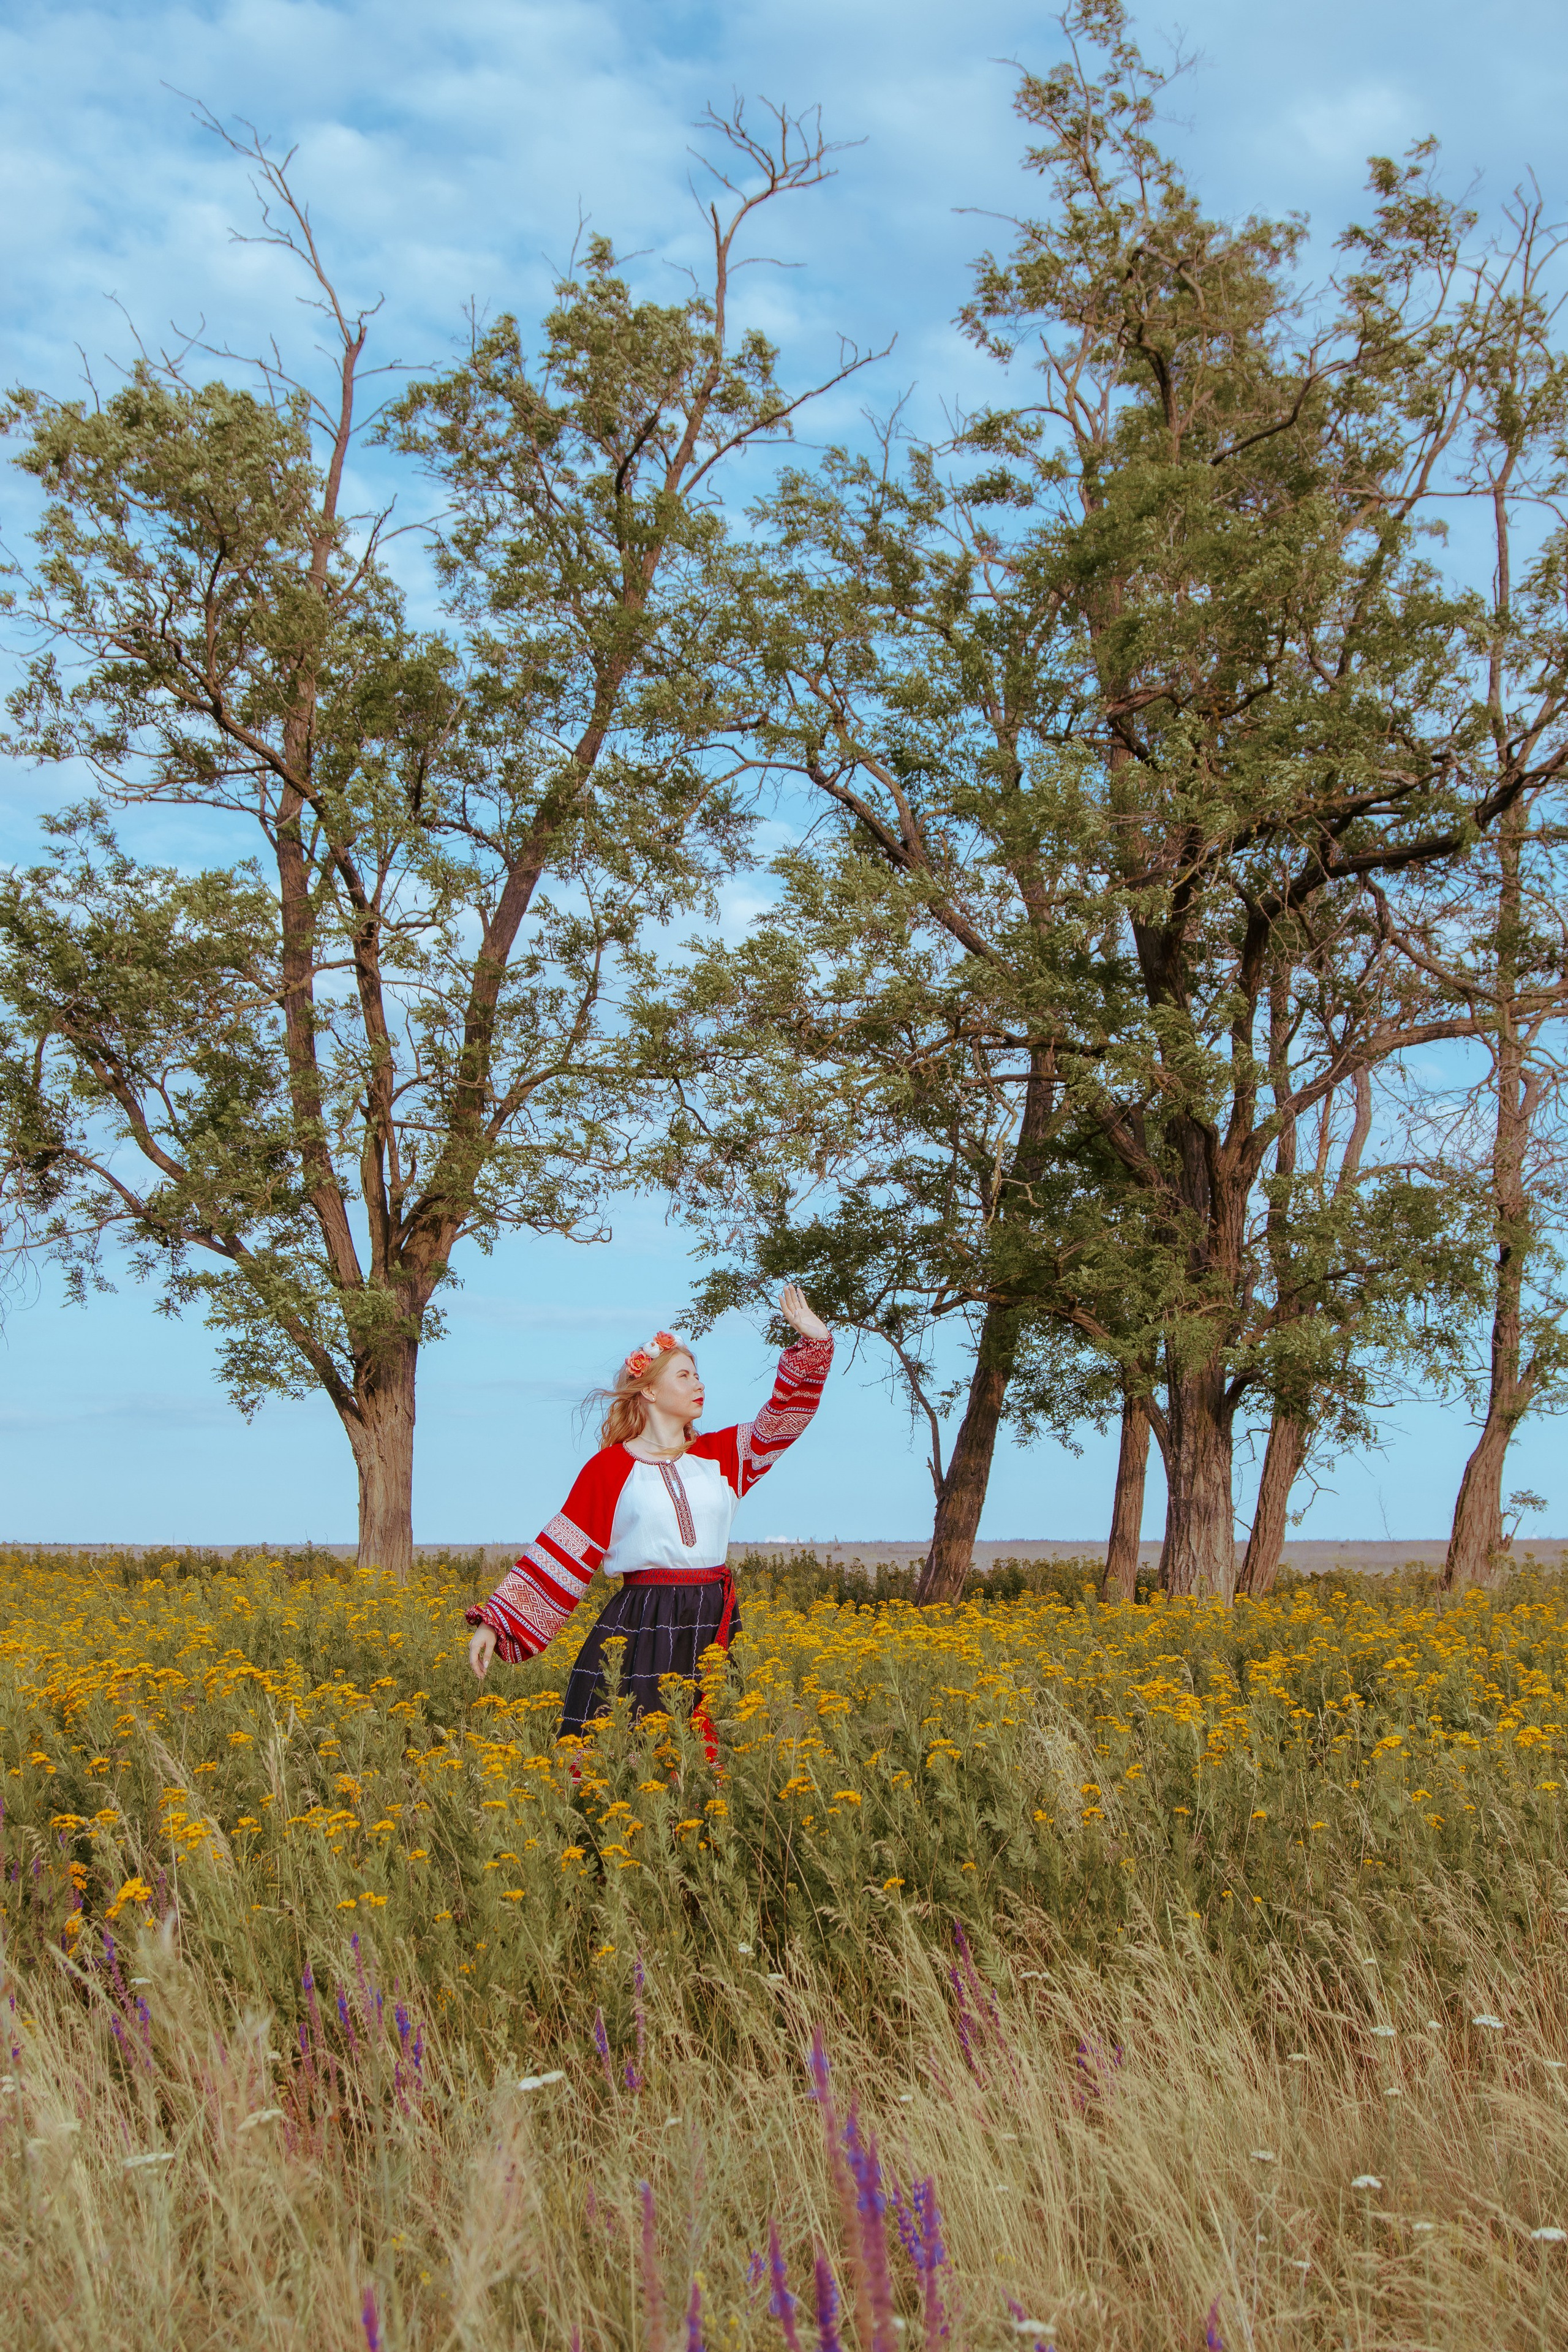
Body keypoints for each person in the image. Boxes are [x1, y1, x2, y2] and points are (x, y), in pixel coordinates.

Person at [466, 1286, 833, 1742]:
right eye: (685, 1376)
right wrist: (495, 1622)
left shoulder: (724, 1456)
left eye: (698, 1375)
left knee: (715, 1744)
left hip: (714, 1617)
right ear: (651, 1390)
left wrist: (815, 1346)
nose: (699, 1384)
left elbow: (783, 1419)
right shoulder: (610, 1468)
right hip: (644, 1622)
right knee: (636, 1746)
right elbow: (561, 1553)